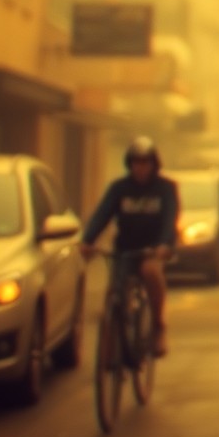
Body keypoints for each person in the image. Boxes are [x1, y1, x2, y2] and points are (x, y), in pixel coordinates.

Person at [81, 137, 179, 357]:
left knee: (150, 272)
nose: (141, 167)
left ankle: (157, 327)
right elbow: (102, 215)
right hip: (125, 249)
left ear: (154, 164)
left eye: (145, 162)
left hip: (153, 249)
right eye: (136, 162)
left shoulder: (166, 189)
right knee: (115, 292)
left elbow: (169, 219)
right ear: (130, 164)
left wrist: (164, 244)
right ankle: (110, 342)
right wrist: (88, 241)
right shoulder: (119, 188)